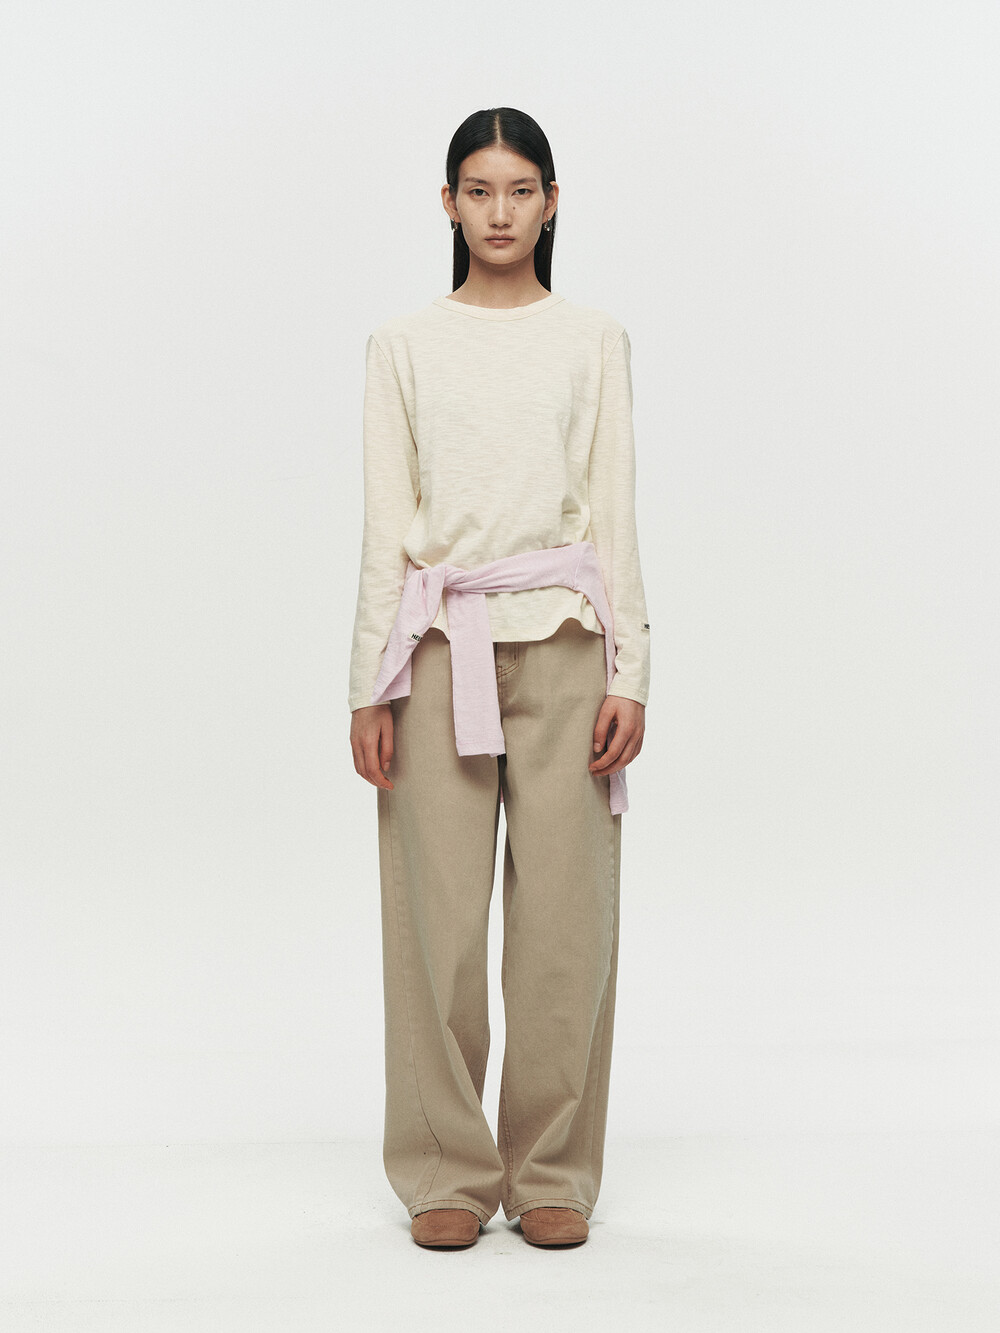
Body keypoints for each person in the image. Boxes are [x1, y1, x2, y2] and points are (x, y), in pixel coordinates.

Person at [348, 106, 650, 1250]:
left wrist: (632, 669)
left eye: (520, 190)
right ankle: (444, 1169)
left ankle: (552, 1170)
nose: (499, 212)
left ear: (552, 202)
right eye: (478, 191)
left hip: (567, 640)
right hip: (438, 649)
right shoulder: (402, 344)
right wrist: (368, 682)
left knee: (565, 924)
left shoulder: (592, 339)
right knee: (437, 927)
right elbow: (386, 522)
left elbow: (614, 508)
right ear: (448, 204)